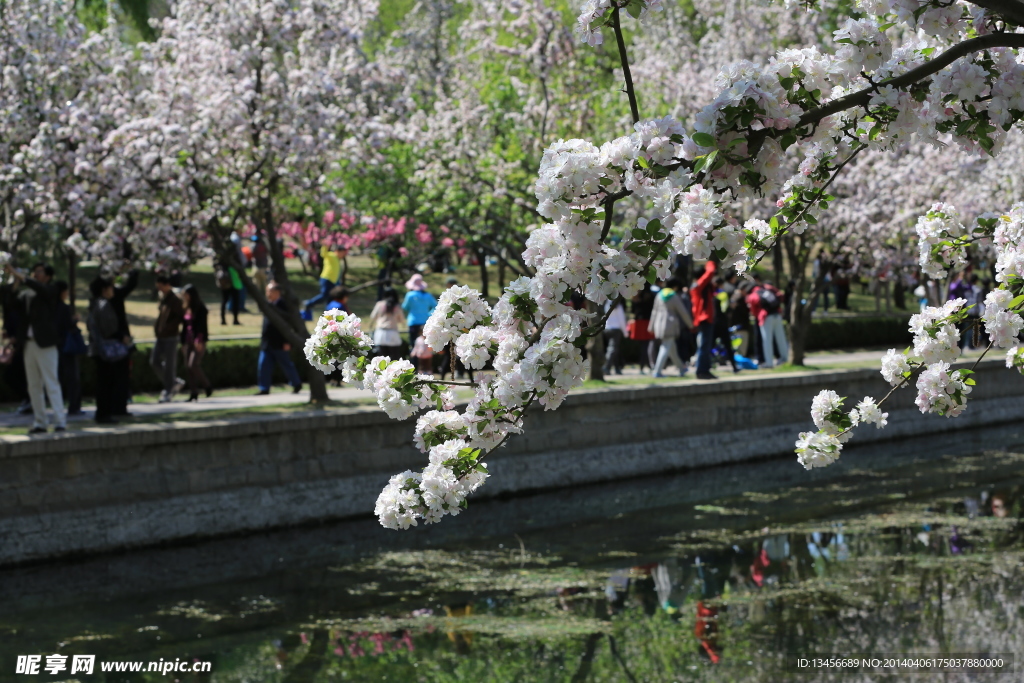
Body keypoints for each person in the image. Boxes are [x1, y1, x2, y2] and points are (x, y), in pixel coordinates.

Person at [7, 263, 66, 434]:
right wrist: (16, 283)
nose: (36, 274)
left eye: (39, 272)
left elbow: (41, 289)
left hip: (45, 344)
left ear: (47, 276)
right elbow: (10, 303)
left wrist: (22, 277)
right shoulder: (27, 294)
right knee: (33, 385)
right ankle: (40, 422)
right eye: (35, 272)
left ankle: (59, 420)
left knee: (51, 382)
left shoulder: (50, 290)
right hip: (29, 343)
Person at [257, 282, 302, 395]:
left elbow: (289, 324)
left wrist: (288, 342)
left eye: (270, 291)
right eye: (267, 291)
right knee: (263, 365)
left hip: (280, 342)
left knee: (286, 364)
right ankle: (264, 388)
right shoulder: (267, 304)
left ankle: (296, 384)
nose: (267, 294)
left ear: (277, 292)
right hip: (267, 342)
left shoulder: (284, 305)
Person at [650, 277, 693, 377]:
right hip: (670, 325)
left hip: (659, 325)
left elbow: (654, 311)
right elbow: (683, 312)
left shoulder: (659, 295)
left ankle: (681, 368)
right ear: (675, 287)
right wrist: (690, 324)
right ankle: (657, 371)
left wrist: (651, 327)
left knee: (671, 349)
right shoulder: (674, 296)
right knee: (665, 347)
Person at [151, 274, 184, 403]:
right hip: (161, 336)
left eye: (161, 287)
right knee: (154, 361)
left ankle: (169, 390)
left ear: (167, 285)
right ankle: (174, 382)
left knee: (170, 364)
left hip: (171, 336)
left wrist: (169, 328)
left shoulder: (175, 299)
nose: (159, 290)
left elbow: (180, 317)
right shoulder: (163, 298)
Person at [55, 281, 84, 416]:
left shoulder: (51, 307)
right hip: (67, 347)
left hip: (56, 347)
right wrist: (75, 320)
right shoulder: (64, 308)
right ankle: (74, 406)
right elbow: (67, 326)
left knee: (59, 378)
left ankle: (60, 406)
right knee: (73, 378)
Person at [747, 276, 788, 368]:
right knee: (781, 338)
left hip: (765, 318)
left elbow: (753, 311)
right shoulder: (768, 288)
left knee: (767, 340)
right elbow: (780, 295)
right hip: (777, 314)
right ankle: (785, 359)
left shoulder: (753, 295)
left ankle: (769, 363)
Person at [180, 284, 212, 401]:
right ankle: (193, 392)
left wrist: (199, 340)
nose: (185, 297)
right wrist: (183, 342)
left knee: (193, 364)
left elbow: (202, 326)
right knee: (188, 367)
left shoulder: (200, 308)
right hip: (188, 341)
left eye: (186, 295)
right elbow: (184, 327)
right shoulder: (186, 308)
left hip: (198, 340)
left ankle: (207, 386)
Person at [303, 244, 347, 318]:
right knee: (325, 295)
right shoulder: (331, 255)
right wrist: (325, 245)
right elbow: (324, 253)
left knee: (330, 298)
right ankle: (309, 303)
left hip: (333, 281)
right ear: (338, 251)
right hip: (327, 279)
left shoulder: (337, 259)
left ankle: (329, 314)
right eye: (343, 252)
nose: (343, 255)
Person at [690, 260, 718, 380]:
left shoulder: (697, 286)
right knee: (704, 346)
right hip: (704, 318)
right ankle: (701, 371)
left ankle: (704, 370)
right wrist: (710, 260)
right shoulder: (699, 285)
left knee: (705, 346)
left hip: (704, 319)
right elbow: (711, 271)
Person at [369, 287, 405, 360]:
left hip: (381, 332)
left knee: (381, 358)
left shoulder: (379, 304)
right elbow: (401, 320)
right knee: (395, 357)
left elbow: (373, 316)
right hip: (392, 332)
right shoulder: (397, 306)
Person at [401, 273, 436, 344]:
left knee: (413, 342)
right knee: (425, 342)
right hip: (425, 321)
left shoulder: (410, 295)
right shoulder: (428, 296)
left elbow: (405, 307)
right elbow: (436, 306)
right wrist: (429, 314)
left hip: (413, 321)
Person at [630, 283, 656, 373]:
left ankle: (643, 366)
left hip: (639, 322)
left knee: (642, 346)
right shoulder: (651, 296)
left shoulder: (635, 296)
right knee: (647, 345)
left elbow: (632, 310)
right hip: (648, 321)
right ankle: (647, 365)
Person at [603, 298, 627, 376]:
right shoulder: (618, 306)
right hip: (616, 329)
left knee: (615, 349)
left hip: (607, 328)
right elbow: (621, 319)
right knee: (612, 349)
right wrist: (625, 332)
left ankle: (617, 368)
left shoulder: (606, 303)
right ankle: (606, 367)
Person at [215, 259, 241, 326]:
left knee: (225, 301)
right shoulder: (234, 253)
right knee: (234, 301)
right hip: (231, 279)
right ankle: (234, 320)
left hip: (225, 281)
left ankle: (224, 320)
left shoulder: (221, 255)